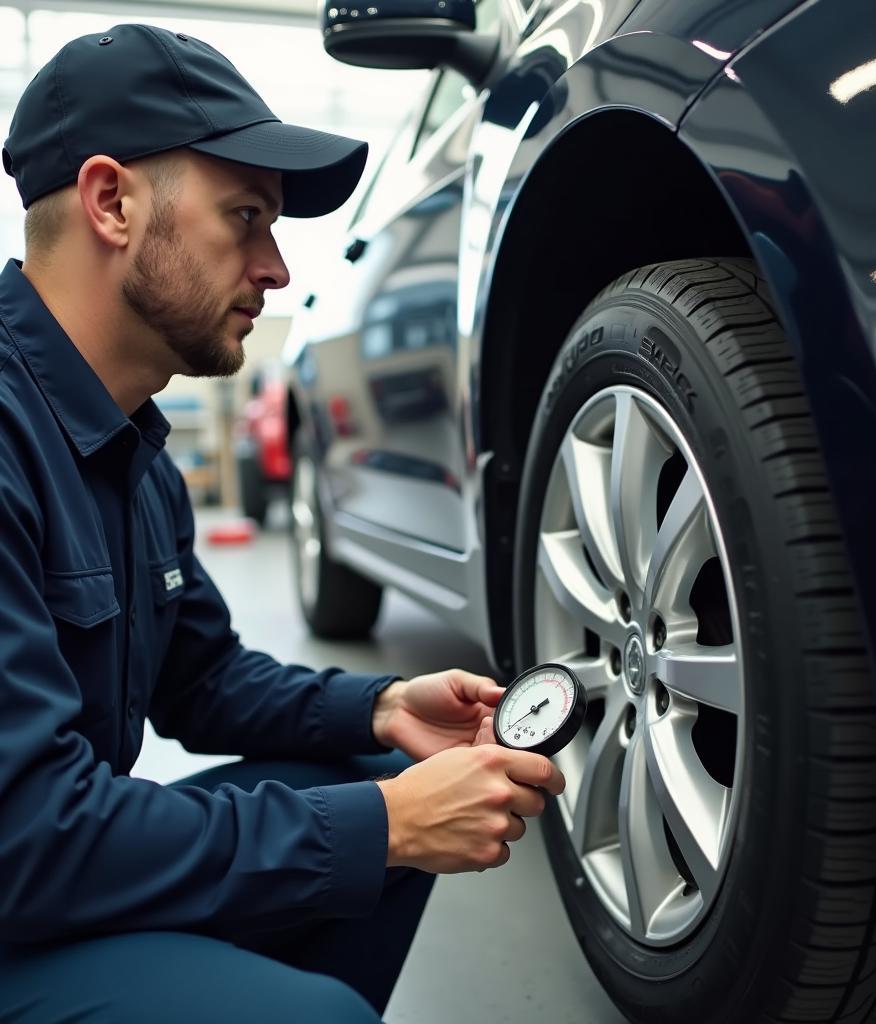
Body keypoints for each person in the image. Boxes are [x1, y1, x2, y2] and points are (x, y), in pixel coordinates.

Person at [0, 24, 565, 1024]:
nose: (276, 269)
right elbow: (27, 836)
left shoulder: (127, 446)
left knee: (376, 770)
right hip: (21, 876)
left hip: (40, 872)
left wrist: (382, 705)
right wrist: (382, 827)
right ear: (110, 201)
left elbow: (202, 675)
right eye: (245, 216)